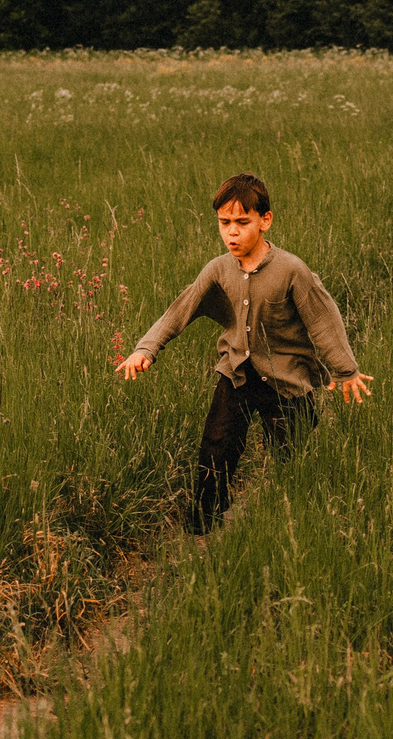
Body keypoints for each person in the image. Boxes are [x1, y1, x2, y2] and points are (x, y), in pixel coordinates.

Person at [117, 172, 372, 531]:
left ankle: (289, 522)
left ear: (265, 220)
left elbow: (322, 320)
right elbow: (181, 309)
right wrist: (146, 348)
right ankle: (204, 523)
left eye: (242, 222)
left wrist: (345, 370)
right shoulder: (218, 270)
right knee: (216, 446)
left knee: (292, 455)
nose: (232, 233)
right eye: (224, 223)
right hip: (236, 372)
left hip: (287, 379)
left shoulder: (291, 270)